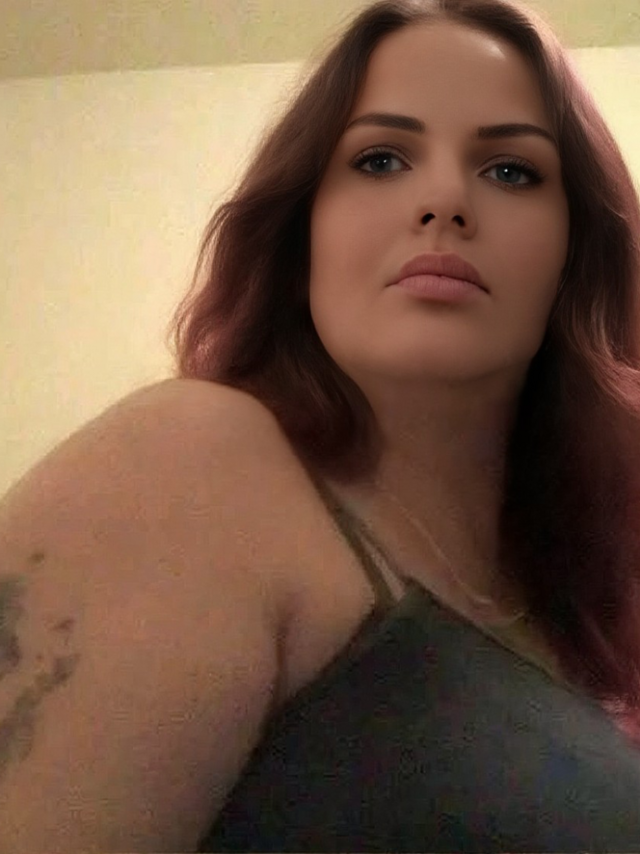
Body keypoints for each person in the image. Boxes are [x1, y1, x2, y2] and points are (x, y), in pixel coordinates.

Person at [2, 0, 640, 850]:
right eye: (380, 159)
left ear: (575, 253)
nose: (445, 200)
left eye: (512, 170)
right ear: (301, 233)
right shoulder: (191, 462)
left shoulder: (578, 611)